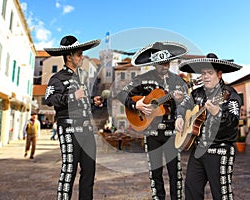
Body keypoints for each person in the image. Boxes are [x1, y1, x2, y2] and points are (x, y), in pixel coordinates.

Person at [117, 41, 189, 200]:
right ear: (154, 63)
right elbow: (121, 94)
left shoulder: (177, 81)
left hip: (171, 132)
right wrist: (136, 104)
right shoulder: (142, 79)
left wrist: (180, 111)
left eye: (167, 62)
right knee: (155, 173)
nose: (165, 66)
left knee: (175, 174)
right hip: (151, 132)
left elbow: (186, 103)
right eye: (161, 63)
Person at [175, 53, 242, 200]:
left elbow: (232, 123)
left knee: (221, 194)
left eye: (210, 73)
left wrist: (218, 113)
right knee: (191, 190)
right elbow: (182, 106)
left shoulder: (229, 95)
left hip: (220, 150)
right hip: (198, 151)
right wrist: (180, 117)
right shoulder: (196, 93)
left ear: (219, 74)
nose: (205, 76)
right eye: (203, 73)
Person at [44, 35, 103, 200]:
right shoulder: (57, 78)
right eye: (79, 54)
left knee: (89, 172)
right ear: (69, 57)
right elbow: (49, 99)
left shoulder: (81, 77)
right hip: (69, 129)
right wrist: (72, 96)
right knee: (69, 171)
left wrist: (92, 101)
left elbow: (79, 102)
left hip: (86, 130)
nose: (82, 57)